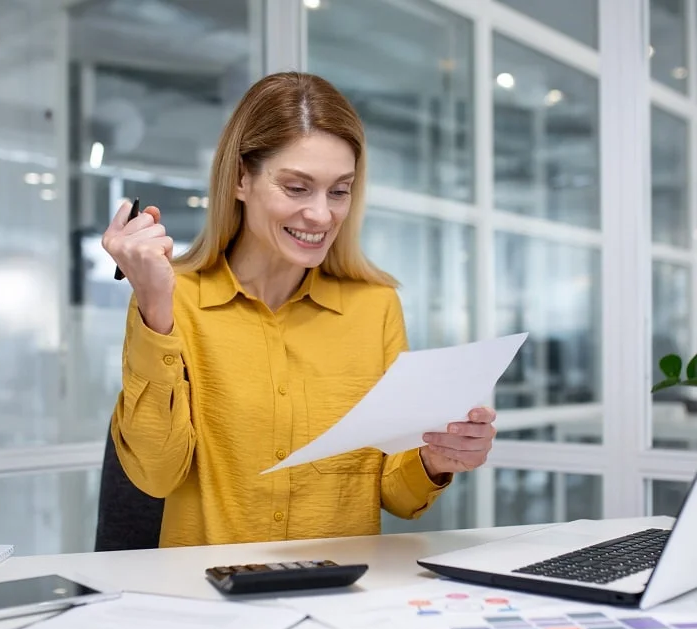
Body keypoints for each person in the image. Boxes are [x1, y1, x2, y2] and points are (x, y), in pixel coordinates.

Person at [102, 72, 496, 548]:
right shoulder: (170, 298)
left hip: (340, 599)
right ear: (241, 178)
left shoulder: (374, 308)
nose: (321, 215)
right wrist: (154, 306)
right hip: (206, 601)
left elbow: (394, 491)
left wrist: (438, 458)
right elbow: (154, 477)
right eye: (296, 188)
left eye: (339, 190)